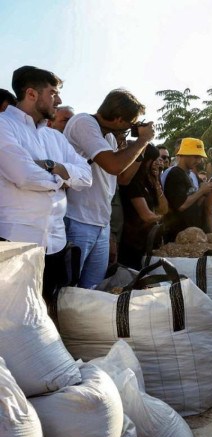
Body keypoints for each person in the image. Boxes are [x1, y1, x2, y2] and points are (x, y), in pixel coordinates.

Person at [0, 66, 92, 304]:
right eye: (53, 93)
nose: (59, 100)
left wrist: (53, 167)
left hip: (57, 244)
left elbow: (87, 176)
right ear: (31, 94)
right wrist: (63, 179)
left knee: (50, 313)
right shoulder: (3, 126)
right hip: (17, 244)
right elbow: (24, 175)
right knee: (15, 323)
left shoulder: (55, 138)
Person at [64, 89, 154, 288]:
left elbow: (122, 178)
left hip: (101, 223)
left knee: (93, 288)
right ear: (119, 119)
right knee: (68, 288)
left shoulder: (109, 137)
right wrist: (142, 140)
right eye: (130, 124)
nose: (130, 128)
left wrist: (141, 148)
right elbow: (113, 165)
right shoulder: (84, 123)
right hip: (78, 219)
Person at [118, 144, 168, 269]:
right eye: (154, 160)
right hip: (132, 244)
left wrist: (157, 183)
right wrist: (165, 221)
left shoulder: (149, 181)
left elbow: (163, 209)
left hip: (147, 243)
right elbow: (147, 216)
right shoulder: (134, 182)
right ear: (146, 161)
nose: (158, 163)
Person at [163, 137, 212, 241]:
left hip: (192, 234)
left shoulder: (190, 175)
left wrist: (205, 193)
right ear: (184, 154)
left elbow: (193, 205)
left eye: (200, 157)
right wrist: (201, 191)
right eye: (196, 157)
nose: (199, 161)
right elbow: (181, 205)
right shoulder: (175, 174)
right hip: (178, 235)